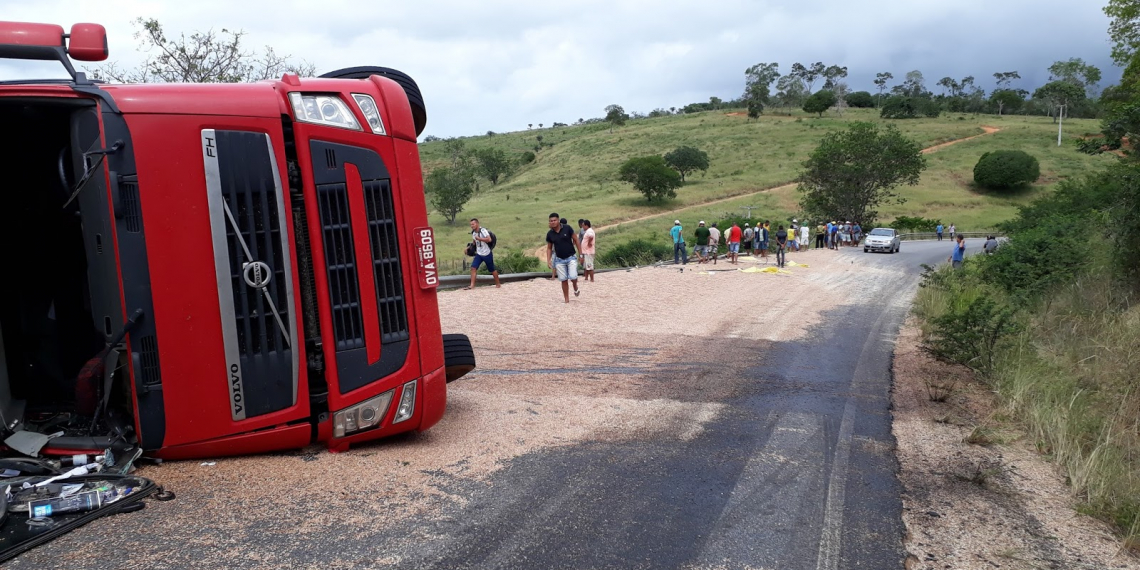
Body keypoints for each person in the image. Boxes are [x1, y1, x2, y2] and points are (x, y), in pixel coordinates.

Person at [546, 213, 582, 302]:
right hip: (559, 259)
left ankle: (575, 286)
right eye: (551, 221)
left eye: (554, 220)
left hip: (571, 257)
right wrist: (548, 260)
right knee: (563, 280)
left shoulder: (567, 228)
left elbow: (576, 240)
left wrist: (581, 254)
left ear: (558, 220)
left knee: (573, 276)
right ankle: (566, 299)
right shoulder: (550, 234)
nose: (553, 222)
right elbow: (549, 248)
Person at [464, 218, 501, 290]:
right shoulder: (474, 233)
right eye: (471, 224)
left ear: (477, 224)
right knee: (473, 268)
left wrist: (479, 239)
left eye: (473, 224)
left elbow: (489, 239)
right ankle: (472, 285)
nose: (472, 226)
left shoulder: (483, 231)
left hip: (487, 253)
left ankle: (498, 284)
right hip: (479, 254)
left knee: (492, 269)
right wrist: (468, 248)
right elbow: (474, 242)